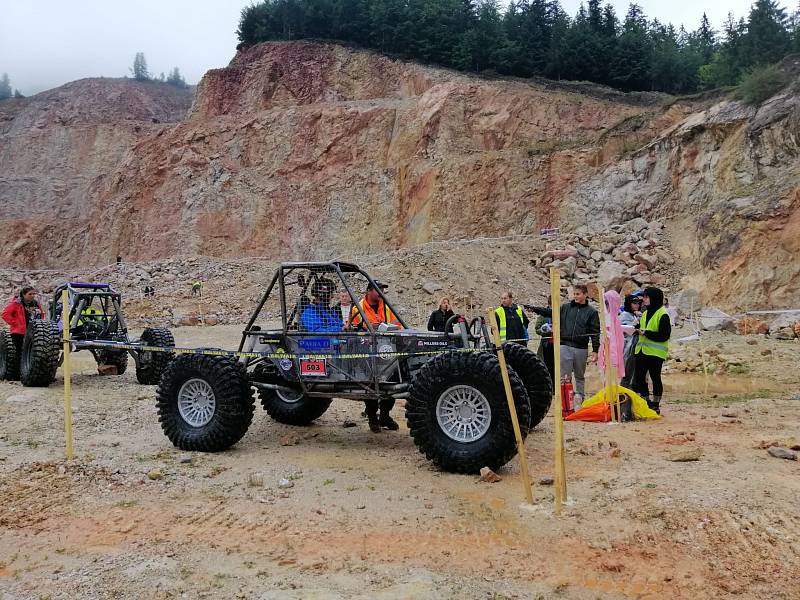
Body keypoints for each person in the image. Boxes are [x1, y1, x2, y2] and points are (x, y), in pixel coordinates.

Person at [528, 284, 599, 407]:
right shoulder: (565, 308)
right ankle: (566, 403)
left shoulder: (591, 312)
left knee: (579, 375)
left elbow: (595, 331)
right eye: (574, 294)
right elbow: (550, 312)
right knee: (564, 377)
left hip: (581, 347)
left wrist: (595, 349)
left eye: (578, 294)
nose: (576, 296)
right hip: (564, 345)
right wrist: (535, 309)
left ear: (585, 295)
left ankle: (579, 399)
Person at [349, 280, 401, 432]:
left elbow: (396, 325)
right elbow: (355, 330)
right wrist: (371, 328)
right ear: (369, 291)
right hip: (366, 351)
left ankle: (384, 416)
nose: (381, 293)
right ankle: (372, 418)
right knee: (370, 386)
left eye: (383, 290)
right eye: (378, 290)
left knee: (391, 383)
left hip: (386, 350)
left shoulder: (385, 307)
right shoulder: (357, 308)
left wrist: (388, 328)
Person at [633, 287, 671, 415]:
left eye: (646, 297)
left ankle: (655, 403)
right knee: (639, 377)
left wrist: (647, 333)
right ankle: (646, 401)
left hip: (655, 353)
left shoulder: (663, 314)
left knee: (655, 377)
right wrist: (636, 328)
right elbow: (643, 328)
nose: (644, 300)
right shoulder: (644, 313)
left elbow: (664, 335)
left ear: (653, 298)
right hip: (642, 350)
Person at [2, 287, 45, 361]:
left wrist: (40, 324)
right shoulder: (16, 303)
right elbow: (5, 314)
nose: (32, 295)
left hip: (34, 331)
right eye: (30, 294)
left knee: (33, 352)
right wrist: (15, 323)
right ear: (24, 295)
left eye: (33, 294)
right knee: (21, 352)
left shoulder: (36, 304)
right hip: (19, 332)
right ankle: (19, 371)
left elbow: (41, 314)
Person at [619, 293, 642, 389]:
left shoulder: (635, 315)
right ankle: (623, 397)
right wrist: (635, 327)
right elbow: (624, 329)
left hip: (634, 348)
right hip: (628, 349)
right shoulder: (625, 315)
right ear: (629, 304)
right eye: (634, 303)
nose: (637, 305)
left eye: (638, 303)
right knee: (627, 374)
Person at [534, 297, 555, 390]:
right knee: (548, 366)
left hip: (560, 344)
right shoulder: (543, 315)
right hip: (547, 345)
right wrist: (545, 330)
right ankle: (551, 388)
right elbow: (537, 329)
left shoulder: (561, 313)